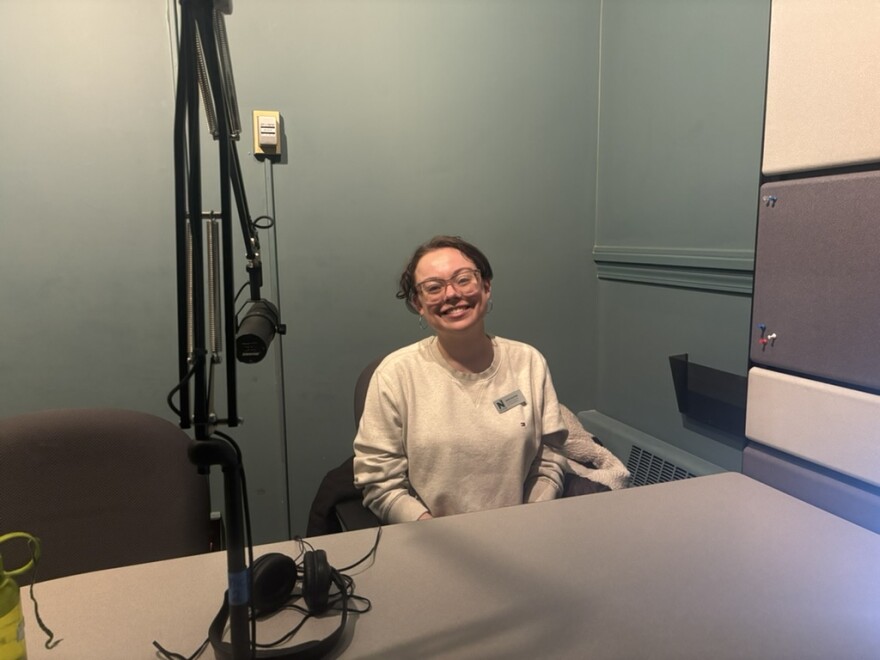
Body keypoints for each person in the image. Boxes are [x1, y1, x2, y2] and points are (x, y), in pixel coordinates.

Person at [352, 235, 570, 524]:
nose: (452, 294)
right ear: (418, 303)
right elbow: (379, 482)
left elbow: (549, 458)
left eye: (463, 279)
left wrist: (527, 520)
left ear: (486, 286)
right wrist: (434, 531)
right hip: (432, 541)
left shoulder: (528, 362)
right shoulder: (395, 374)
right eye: (433, 287)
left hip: (522, 532)